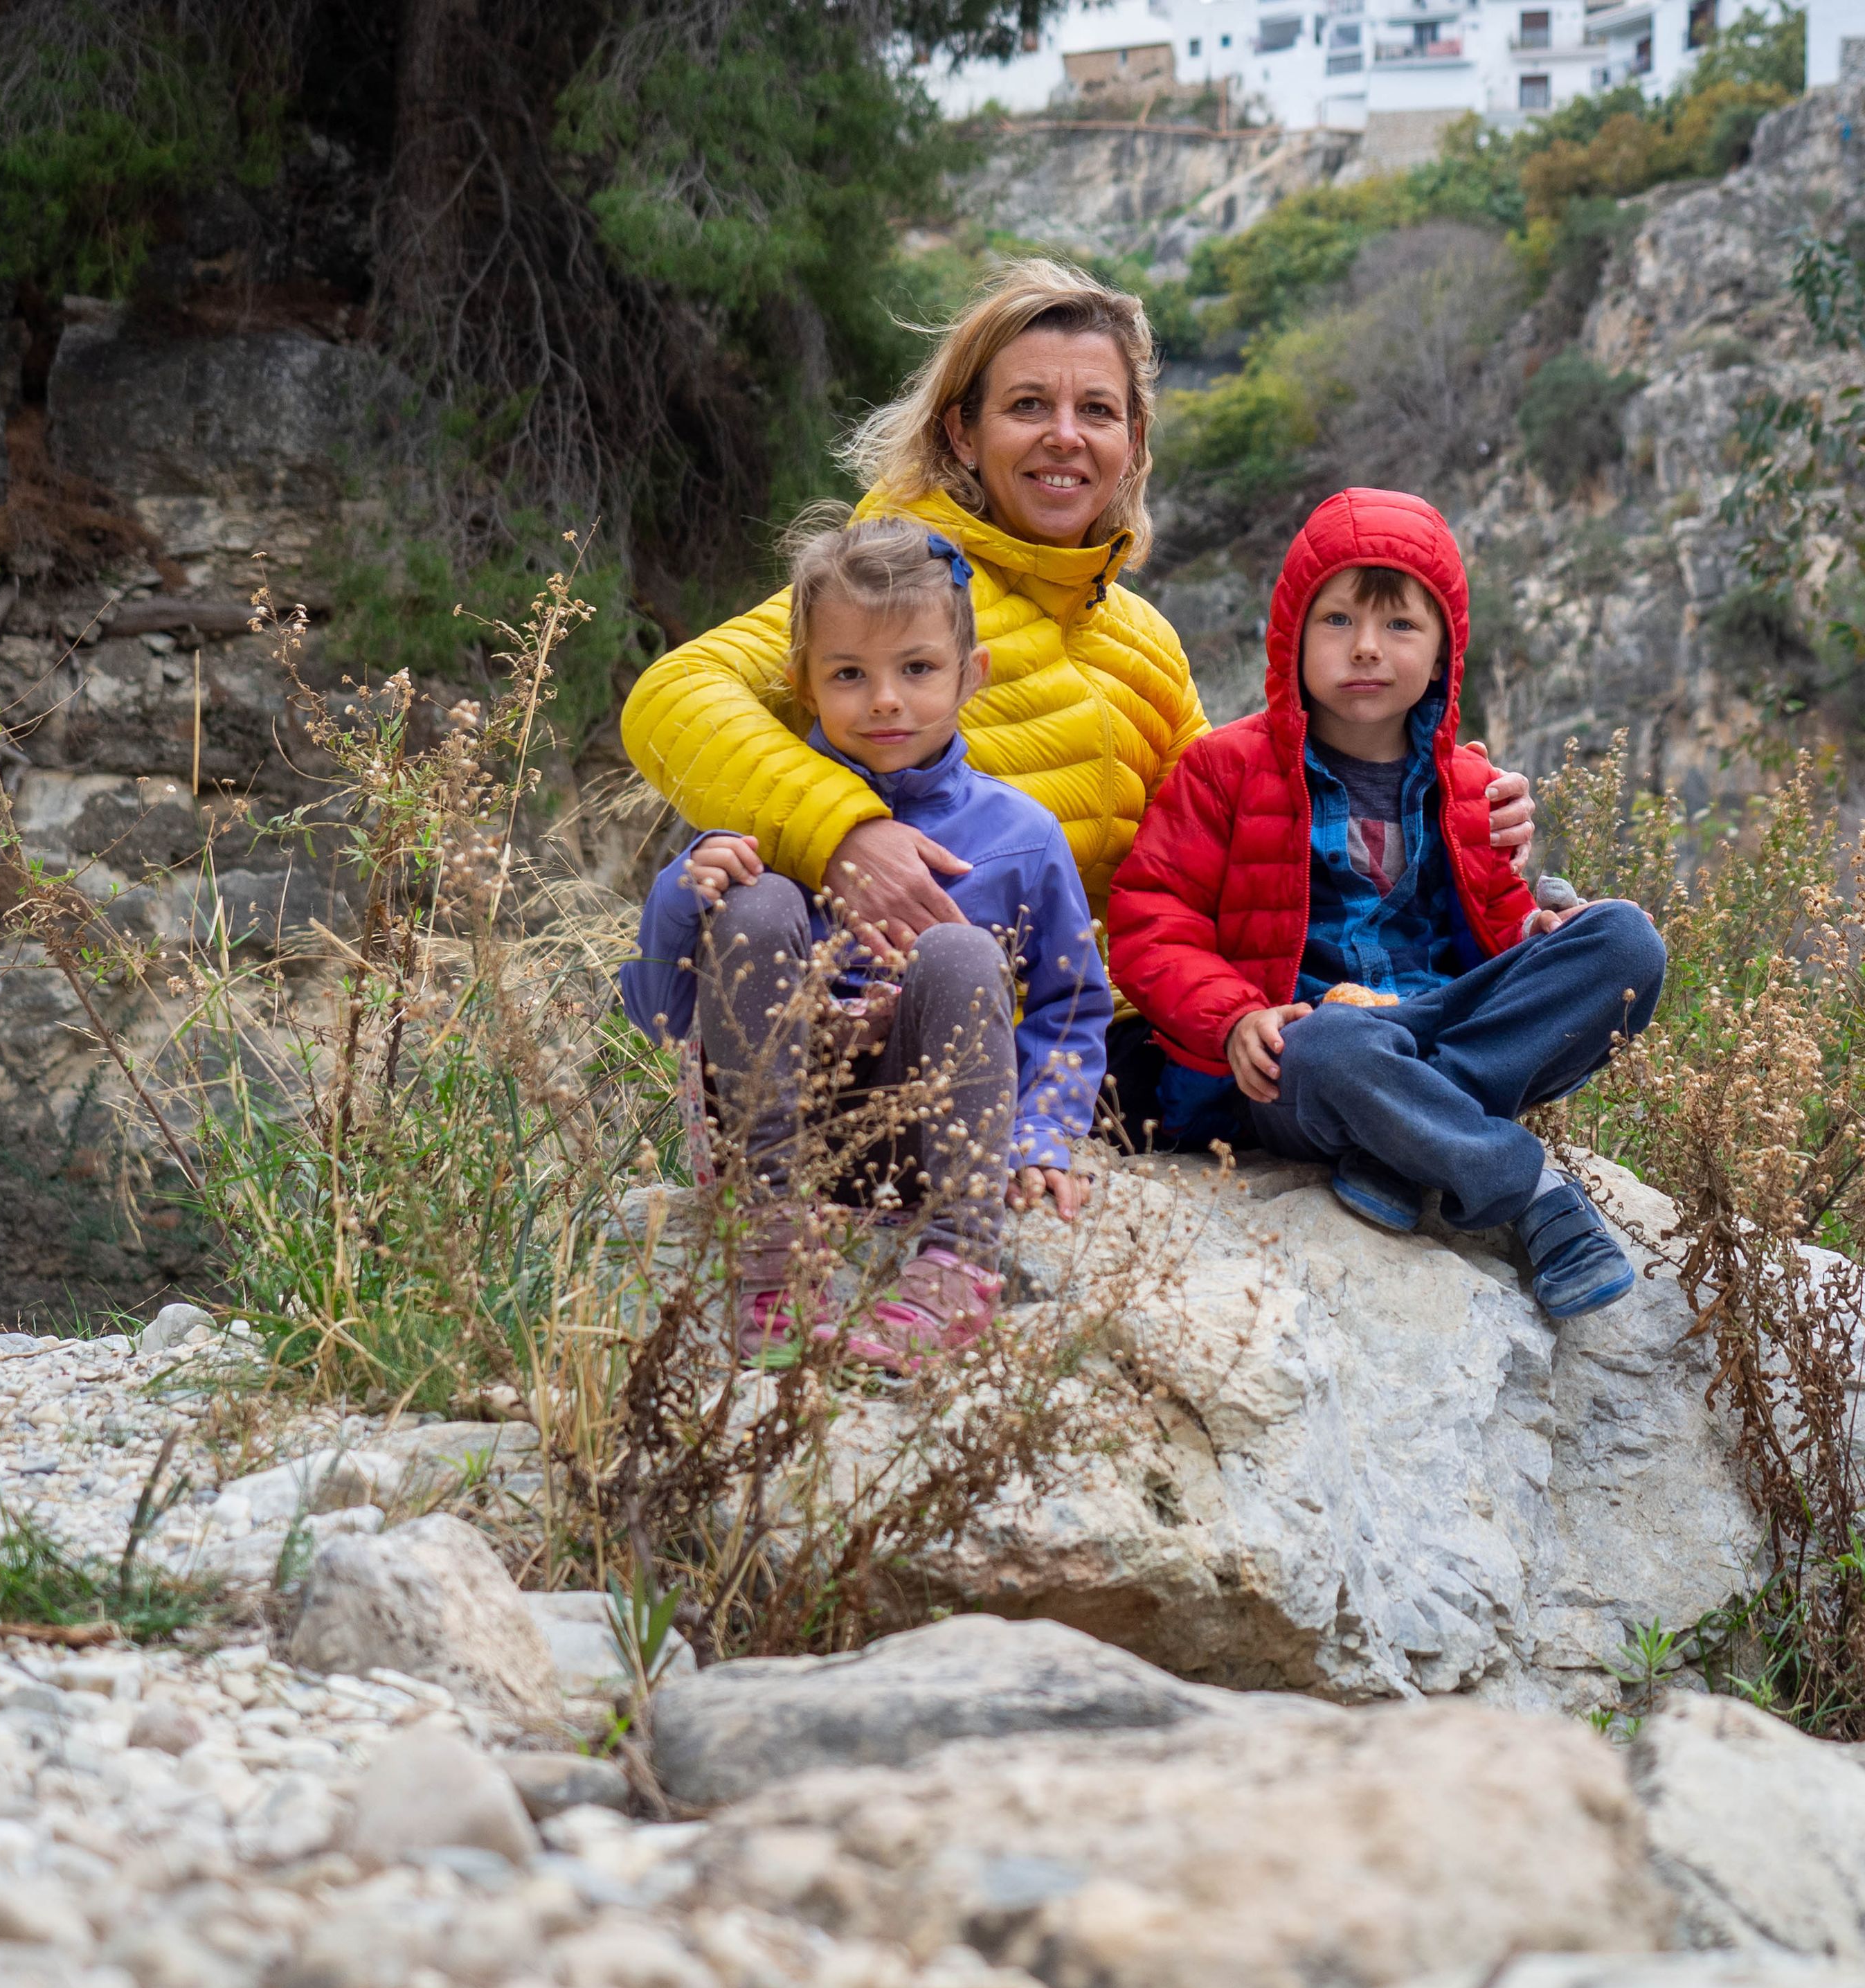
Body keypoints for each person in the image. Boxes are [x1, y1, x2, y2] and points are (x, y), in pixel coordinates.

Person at [618, 258, 1543, 1140]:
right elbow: (675, 694)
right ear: (960, 434)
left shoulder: (1140, 639)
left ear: (1131, 444)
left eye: (1096, 410)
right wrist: (845, 831)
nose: (1066, 435)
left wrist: (1452, 815)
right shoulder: (890, 600)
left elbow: (1242, 828)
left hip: (1096, 1051)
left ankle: (1432, 1117)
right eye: (1028, 406)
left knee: (1563, 936)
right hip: (904, 1040)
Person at [1106, 489, 1668, 1320]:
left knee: (1625, 942)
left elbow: (1488, 924)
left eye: (1401, 626)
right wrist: (1233, 1020)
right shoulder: (1224, 769)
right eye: (1336, 621)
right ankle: (1528, 1190)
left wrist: (1535, 933)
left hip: (1434, 1018)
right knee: (1336, 1045)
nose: (1365, 649)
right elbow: (1152, 917)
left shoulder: (1470, 787)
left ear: (1445, 652)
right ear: (1290, 635)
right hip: (1304, 1054)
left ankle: (1402, 1146)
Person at [622, 514, 1109, 1357]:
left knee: (957, 951)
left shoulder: (1022, 834)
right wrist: (682, 894)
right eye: (849, 673)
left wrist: (1044, 1129)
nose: (885, 699)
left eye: (917, 669)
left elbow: (1071, 1003)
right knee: (761, 900)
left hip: (930, 1146)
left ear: (971, 675)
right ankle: (766, 1260)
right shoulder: (763, 821)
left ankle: (958, 1261)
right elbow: (658, 1020)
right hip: (776, 1148)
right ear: (803, 685)